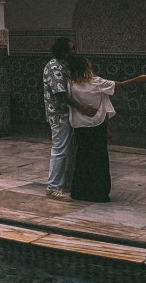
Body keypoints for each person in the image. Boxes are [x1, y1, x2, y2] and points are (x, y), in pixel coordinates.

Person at [66, 55, 146, 202]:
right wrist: (138, 79)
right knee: (99, 158)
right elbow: (120, 84)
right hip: (96, 125)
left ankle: (79, 190)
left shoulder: (70, 84)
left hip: (79, 125)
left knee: (83, 157)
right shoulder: (96, 82)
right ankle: (99, 192)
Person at [43, 36, 96, 199]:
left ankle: (66, 184)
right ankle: (53, 186)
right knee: (60, 148)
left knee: (70, 149)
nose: (74, 51)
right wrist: (82, 108)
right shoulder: (54, 67)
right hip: (59, 114)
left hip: (69, 113)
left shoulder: (65, 65)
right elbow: (61, 94)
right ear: (64, 51)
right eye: (71, 49)